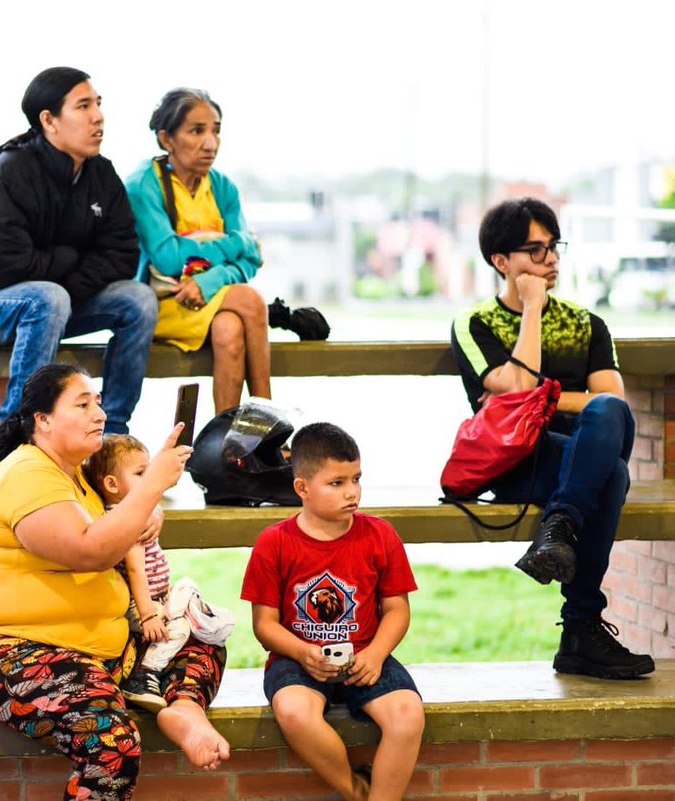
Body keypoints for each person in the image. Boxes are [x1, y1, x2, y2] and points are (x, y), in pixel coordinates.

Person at [0, 364, 231, 800]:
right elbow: (90, 550)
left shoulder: (76, 474)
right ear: (43, 420)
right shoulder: (26, 474)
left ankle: (183, 709)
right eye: (83, 404)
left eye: (99, 403)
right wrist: (152, 489)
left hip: (103, 650)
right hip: (13, 650)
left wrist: (149, 505)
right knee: (111, 741)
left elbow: (121, 509)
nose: (100, 414)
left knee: (203, 635)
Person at [450, 197, 655, 680]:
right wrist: (534, 308)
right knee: (614, 476)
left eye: (554, 247)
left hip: (581, 461)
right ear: (501, 262)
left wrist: (541, 398)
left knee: (606, 415)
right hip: (519, 462)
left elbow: (612, 402)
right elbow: (518, 387)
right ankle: (580, 629)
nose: (550, 259)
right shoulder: (476, 322)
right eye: (535, 250)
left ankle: (559, 525)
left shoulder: (587, 324)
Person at [0, 67, 157, 435]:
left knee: (139, 300)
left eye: (98, 104)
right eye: (83, 106)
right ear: (49, 120)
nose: (98, 116)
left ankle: (111, 434)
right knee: (48, 298)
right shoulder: (10, 172)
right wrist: (71, 259)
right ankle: (19, 436)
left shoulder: (101, 175)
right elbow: (3, 267)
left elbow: (122, 256)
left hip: (53, 303)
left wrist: (63, 273)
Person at [242, 422, 424, 801]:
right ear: (302, 488)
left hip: (366, 655)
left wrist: (376, 654)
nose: (352, 492)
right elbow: (264, 625)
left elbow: (396, 611)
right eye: (337, 483)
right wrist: (303, 652)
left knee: (408, 716)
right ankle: (354, 789)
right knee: (294, 712)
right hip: (297, 657)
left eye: (356, 478)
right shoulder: (274, 543)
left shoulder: (380, 535)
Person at [125, 87, 329, 413]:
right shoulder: (143, 184)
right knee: (249, 300)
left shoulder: (222, 186)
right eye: (197, 131)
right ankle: (267, 421)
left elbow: (251, 260)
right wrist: (238, 242)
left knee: (230, 329)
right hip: (159, 304)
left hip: (209, 299)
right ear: (167, 139)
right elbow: (167, 257)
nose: (211, 143)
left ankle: (226, 446)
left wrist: (210, 279)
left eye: (216, 131)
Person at [83, 434, 236, 713]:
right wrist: (149, 616)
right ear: (112, 484)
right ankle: (145, 673)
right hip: (139, 602)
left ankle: (190, 610)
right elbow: (135, 571)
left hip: (157, 595)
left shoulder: (133, 511)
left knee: (187, 587)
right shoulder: (126, 520)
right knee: (179, 628)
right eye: (141, 473)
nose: (149, 478)